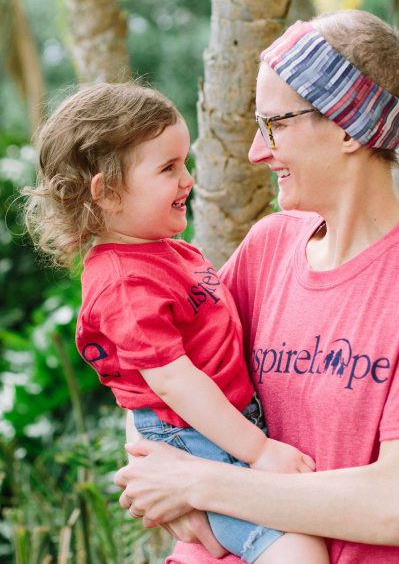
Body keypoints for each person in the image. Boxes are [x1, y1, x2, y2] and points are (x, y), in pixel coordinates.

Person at [115, 10, 399, 563]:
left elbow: (394, 507)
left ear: (348, 126)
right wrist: (167, 475)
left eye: (274, 123)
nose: (256, 150)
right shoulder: (267, 247)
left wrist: (195, 483)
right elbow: (150, 368)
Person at [23, 82, 329, 564]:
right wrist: (259, 452)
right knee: (299, 552)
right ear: (107, 193)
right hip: (196, 438)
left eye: (183, 162)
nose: (187, 179)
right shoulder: (123, 282)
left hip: (214, 428)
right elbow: (171, 380)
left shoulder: (161, 251)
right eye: (168, 168)